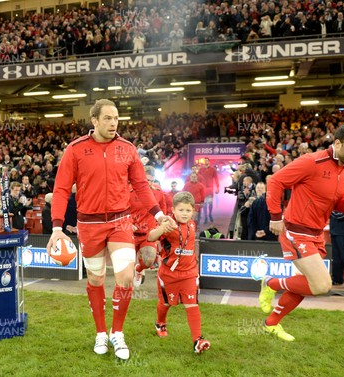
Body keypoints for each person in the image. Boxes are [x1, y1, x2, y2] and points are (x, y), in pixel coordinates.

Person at [47, 99, 174, 361]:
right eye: (107, 118)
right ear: (94, 121)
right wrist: (57, 228)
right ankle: (101, 332)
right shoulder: (76, 149)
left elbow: (141, 186)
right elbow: (60, 190)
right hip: (89, 224)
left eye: (116, 118)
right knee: (95, 279)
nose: (113, 122)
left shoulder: (127, 149)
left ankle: (118, 332)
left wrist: (159, 215)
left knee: (126, 278)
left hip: (120, 222)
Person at [260, 124, 344, 341]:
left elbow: (336, 204)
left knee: (307, 284)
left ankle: (270, 324)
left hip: (317, 234)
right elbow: (276, 181)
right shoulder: (311, 161)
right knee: (321, 285)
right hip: (295, 231)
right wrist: (275, 217)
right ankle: (270, 283)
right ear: (337, 143)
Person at [147, 192, 211, 354]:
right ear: (173, 210)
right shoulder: (168, 224)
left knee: (192, 304)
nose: (184, 214)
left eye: (188, 211)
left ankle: (198, 340)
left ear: (193, 211)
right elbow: (150, 237)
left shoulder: (192, 225)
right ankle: (160, 323)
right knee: (166, 303)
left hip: (189, 273)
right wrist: (162, 227)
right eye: (181, 210)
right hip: (169, 275)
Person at [198, 158, 220, 225]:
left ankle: (210, 214)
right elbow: (198, 178)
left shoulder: (213, 169)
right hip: (203, 189)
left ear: (209, 162)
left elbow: (216, 178)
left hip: (210, 188)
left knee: (210, 203)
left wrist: (218, 187)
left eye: (207, 161)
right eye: (205, 161)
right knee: (204, 204)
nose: (206, 162)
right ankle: (206, 217)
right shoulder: (201, 169)